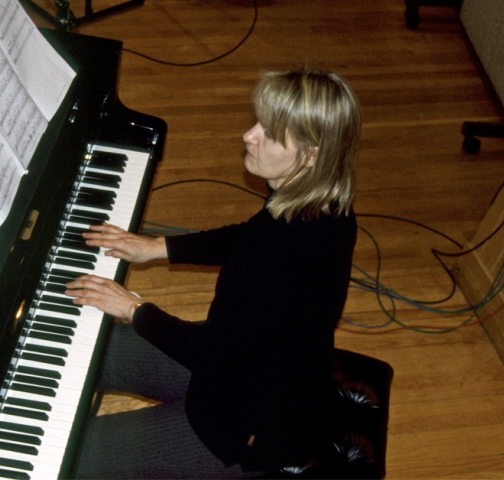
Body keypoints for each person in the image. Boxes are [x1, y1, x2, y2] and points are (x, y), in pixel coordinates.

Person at [65, 67, 361, 478]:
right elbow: (247, 237)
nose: (249, 135)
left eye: (269, 133)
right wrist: (157, 247)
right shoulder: (321, 203)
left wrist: (134, 308)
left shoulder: (283, 251)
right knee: (86, 345)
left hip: (243, 429)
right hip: (241, 371)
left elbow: (209, 353)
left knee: (77, 458)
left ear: (309, 156)